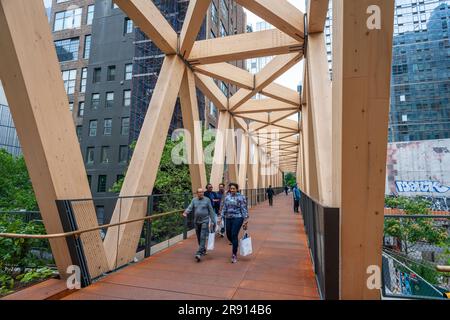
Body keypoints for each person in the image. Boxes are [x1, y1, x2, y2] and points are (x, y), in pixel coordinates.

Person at [183, 188, 216, 262]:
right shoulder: (194, 200)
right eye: (199, 192)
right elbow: (190, 207)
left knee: (202, 236)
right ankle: (203, 249)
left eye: (202, 192)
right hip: (196, 221)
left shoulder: (207, 200)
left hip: (205, 220)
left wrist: (213, 221)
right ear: (197, 193)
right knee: (198, 236)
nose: (201, 193)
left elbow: (211, 210)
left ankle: (199, 253)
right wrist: (186, 212)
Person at [221, 182, 249, 263]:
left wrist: (245, 220)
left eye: (234, 188)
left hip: (238, 218)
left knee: (234, 234)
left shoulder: (241, 197)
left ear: (237, 189)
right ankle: (235, 243)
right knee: (229, 235)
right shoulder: (227, 197)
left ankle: (234, 254)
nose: (232, 190)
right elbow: (224, 207)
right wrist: (221, 217)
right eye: (231, 188)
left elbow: (244, 209)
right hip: (228, 218)